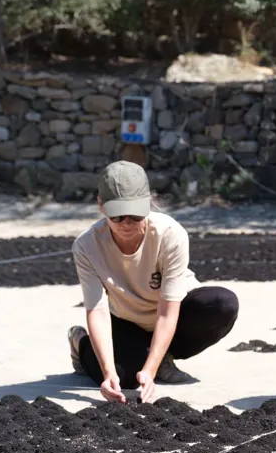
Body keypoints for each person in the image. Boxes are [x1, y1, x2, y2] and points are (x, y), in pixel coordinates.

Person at [68, 161, 239, 404]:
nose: (127, 223)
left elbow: (168, 312)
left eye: (136, 214)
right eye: (117, 215)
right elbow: (97, 310)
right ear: (101, 206)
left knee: (222, 305)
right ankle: (80, 342)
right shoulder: (86, 246)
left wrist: (149, 371)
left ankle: (160, 355)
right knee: (122, 381)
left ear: (149, 203)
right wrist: (108, 373)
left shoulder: (171, 234)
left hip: (174, 314)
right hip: (127, 321)